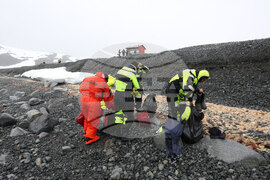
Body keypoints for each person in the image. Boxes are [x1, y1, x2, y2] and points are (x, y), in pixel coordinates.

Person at [79, 72, 114, 144]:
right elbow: (108, 98)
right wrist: (111, 107)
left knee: (86, 116)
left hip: (83, 99)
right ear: (105, 79)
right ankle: (90, 137)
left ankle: (86, 131)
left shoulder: (87, 78)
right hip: (93, 102)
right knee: (93, 119)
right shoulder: (104, 83)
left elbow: (81, 89)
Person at [114, 61, 143, 137]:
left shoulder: (119, 71)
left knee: (119, 115)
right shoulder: (131, 74)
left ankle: (117, 133)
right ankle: (124, 135)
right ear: (134, 68)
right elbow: (137, 87)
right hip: (126, 96)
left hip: (116, 95)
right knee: (130, 116)